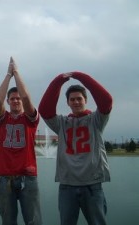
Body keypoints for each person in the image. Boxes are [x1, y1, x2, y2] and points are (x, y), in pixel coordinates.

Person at [38, 72, 113, 225]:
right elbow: (45, 110)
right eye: (72, 99)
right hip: (67, 186)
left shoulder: (96, 120)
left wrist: (80, 76)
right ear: (68, 103)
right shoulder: (61, 123)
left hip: (93, 185)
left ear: (86, 100)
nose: (76, 102)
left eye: (79, 98)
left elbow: (106, 101)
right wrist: (59, 81)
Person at [0, 57, 42, 225]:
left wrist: (17, 72)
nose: (16, 100)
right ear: (9, 102)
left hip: (27, 178)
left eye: (18, 98)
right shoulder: (3, 119)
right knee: (8, 222)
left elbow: (27, 99)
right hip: (4, 179)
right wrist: (8, 74)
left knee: (33, 221)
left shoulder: (30, 119)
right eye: (12, 99)